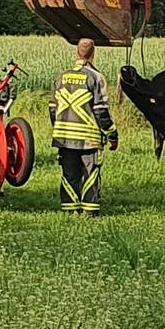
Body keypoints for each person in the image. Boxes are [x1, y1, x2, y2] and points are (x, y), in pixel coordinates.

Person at [48, 37, 116, 215]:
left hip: (64, 137)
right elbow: (101, 111)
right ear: (93, 54)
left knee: (69, 174)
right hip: (88, 138)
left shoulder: (61, 77)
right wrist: (112, 134)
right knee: (90, 173)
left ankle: (69, 210)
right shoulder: (95, 77)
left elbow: (53, 108)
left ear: (76, 52)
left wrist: (59, 128)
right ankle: (89, 212)